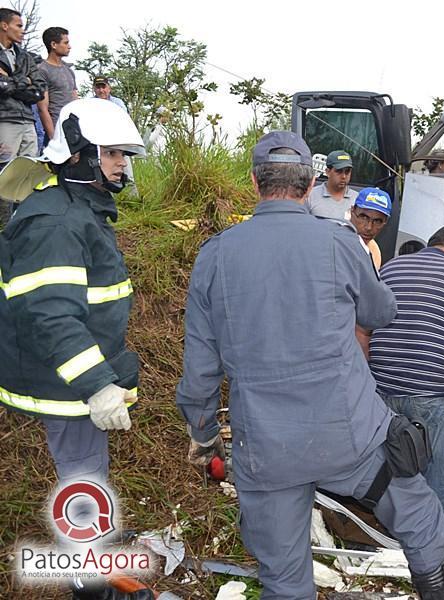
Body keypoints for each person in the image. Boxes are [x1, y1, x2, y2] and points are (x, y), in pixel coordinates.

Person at [175, 131, 444, 600]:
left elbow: (200, 370)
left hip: (268, 448)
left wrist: (204, 434)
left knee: (286, 580)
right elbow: (380, 312)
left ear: (253, 182)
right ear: (310, 184)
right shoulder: (340, 242)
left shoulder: (215, 255)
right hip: (352, 436)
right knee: (424, 526)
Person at [0, 98, 148, 600]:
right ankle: (89, 580)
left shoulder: (75, 210)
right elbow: (51, 315)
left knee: (88, 466)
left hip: (74, 377)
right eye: (111, 154)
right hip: (65, 383)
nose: (121, 164)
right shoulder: (58, 223)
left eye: (124, 154)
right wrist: (97, 386)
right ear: (80, 154)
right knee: (81, 476)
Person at [368, 223, 444, 524]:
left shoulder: (390, 268)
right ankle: (434, 547)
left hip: (382, 388)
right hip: (433, 393)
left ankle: (392, 535)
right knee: (442, 472)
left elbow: (365, 327)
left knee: (392, 467)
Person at [0, 8, 46, 160]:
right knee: (4, 171)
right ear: (4, 26)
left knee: (27, 171)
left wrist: (10, 81)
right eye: (19, 26)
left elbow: (39, 90)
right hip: (4, 120)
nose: (23, 30)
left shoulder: (26, 57)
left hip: (28, 120)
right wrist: (25, 81)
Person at [37, 26, 77, 144]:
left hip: (73, 129)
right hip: (56, 129)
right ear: (54, 44)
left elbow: (75, 101)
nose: (69, 46)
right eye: (66, 43)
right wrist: (53, 138)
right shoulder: (42, 70)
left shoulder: (69, 70)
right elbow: (42, 108)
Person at [349, 186, 391, 270]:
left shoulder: (374, 251)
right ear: (352, 211)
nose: (369, 227)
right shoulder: (333, 242)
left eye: (377, 221)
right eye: (363, 217)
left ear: (384, 223)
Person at [307, 149, 355, 219]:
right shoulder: (310, 196)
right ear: (327, 172)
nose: (344, 176)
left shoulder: (357, 199)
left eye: (347, 172)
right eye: (339, 171)